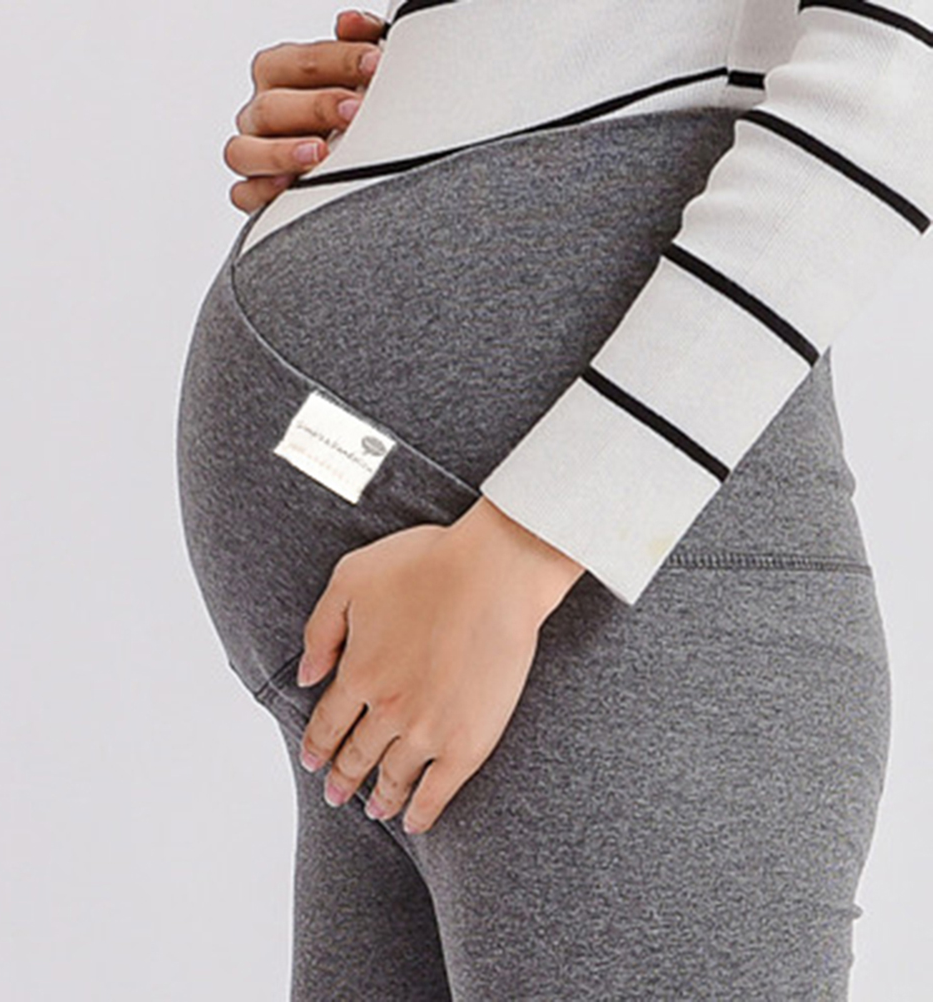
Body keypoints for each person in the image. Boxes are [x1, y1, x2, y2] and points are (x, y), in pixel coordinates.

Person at [176, 3, 930, 998]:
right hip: (430, 654)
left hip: (583, 597)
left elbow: (904, 74)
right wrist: (412, 89)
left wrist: (530, 546)